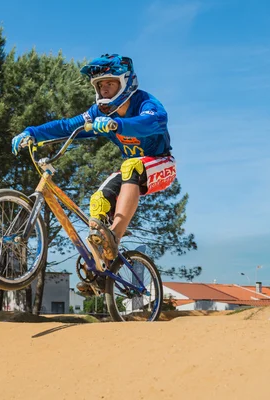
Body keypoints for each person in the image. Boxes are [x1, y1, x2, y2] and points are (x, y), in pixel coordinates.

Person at [11, 54, 177, 295]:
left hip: (162, 165)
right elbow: (69, 126)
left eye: (110, 83)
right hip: (133, 170)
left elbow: (153, 123)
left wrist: (117, 125)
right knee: (97, 201)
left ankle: (114, 236)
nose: (105, 90)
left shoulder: (146, 103)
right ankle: (100, 271)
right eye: (100, 85)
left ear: (125, 82)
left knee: (131, 166)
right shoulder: (101, 112)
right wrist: (32, 133)